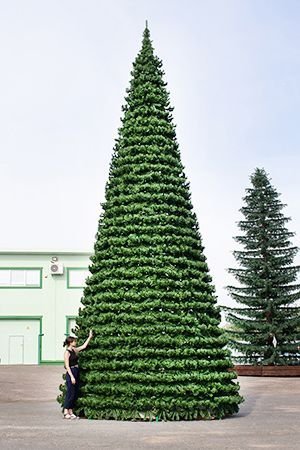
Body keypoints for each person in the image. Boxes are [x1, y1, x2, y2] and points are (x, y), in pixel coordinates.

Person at [63, 330, 93, 419]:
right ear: (70, 342)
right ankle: (66, 411)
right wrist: (72, 376)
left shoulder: (74, 350)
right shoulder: (67, 353)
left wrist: (89, 337)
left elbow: (84, 346)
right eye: (74, 341)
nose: (76, 342)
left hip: (76, 371)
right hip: (71, 372)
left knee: (75, 392)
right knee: (70, 392)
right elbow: (67, 366)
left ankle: (71, 410)